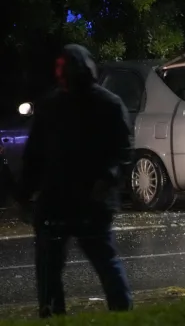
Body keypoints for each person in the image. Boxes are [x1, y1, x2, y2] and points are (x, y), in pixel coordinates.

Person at [16, 44, 134, 318]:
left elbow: (122, 152)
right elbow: (36, 154)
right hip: (63, 200)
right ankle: (55, 313)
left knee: (99, 261)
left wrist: (106, 180)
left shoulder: (104, 104)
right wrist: (25, 193)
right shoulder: (54, 106)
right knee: (53, 266)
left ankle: (121, 312)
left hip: (88, 201)